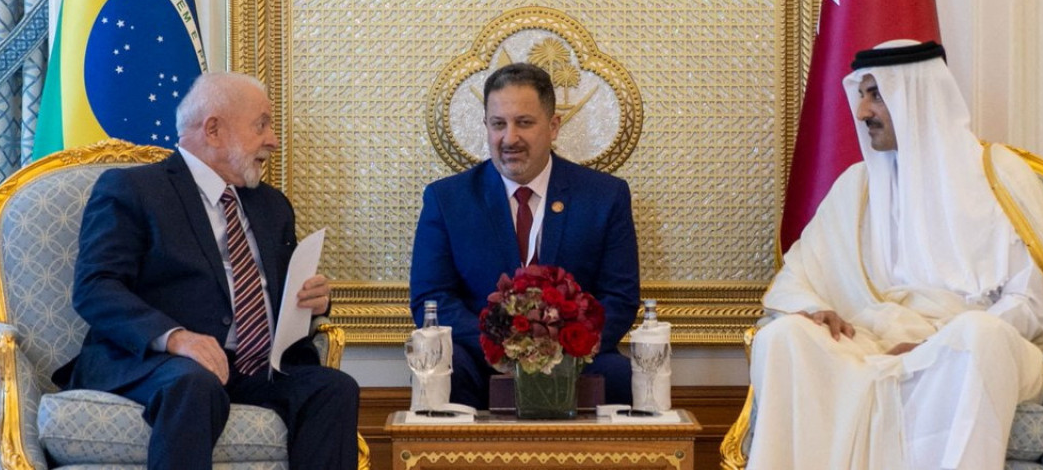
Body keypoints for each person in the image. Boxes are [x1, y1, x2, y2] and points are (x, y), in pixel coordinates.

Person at [746, 40, 1043, 470]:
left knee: (977, 336)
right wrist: (816, 308)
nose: (862, 112)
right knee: (784, 337)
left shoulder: (999, 175)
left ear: (918, 96)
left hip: (973, 349)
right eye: (861, 95)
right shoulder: (857, 186)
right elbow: (797, 278)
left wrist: (935, 342)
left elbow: (1030, 304)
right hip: (876, 343)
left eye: (876, 94)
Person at [52, 71, 361, 470]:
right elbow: (95, 287)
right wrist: (177, 339)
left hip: (254, 366)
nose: (273, 140)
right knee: (194, 383)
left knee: (333, 388)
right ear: (213, 129)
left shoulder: (272, 206)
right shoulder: (135, 189)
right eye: (261, 125)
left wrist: (315, 300)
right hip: (158, 363)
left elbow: (280, 294)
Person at [410, 62, 641, 408]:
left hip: (574, 359)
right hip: (480, 357)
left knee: (623, 376)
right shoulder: (447, 200)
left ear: (553, 126)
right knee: (448, 367)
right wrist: (507, 349)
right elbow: (432, 298)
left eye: (525, 123)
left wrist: (558, 351)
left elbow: (619, 297)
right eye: (498, 124)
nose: (510, 138)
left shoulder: (605, 197)